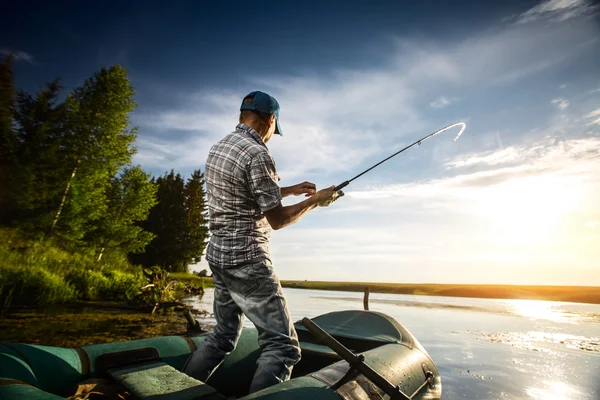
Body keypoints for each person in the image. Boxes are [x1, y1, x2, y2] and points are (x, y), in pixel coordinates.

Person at [183, 91, 340, 393]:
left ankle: (173, 393)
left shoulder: (220, 147)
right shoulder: (258, 153)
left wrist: (290, 189)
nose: (272, 136)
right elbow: (277, 220)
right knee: (283, 348)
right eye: (274, 128)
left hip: (218, 255)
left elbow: (241, 192)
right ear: (271, 119)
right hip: (248, 260)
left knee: (223, 336)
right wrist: (316, 202)